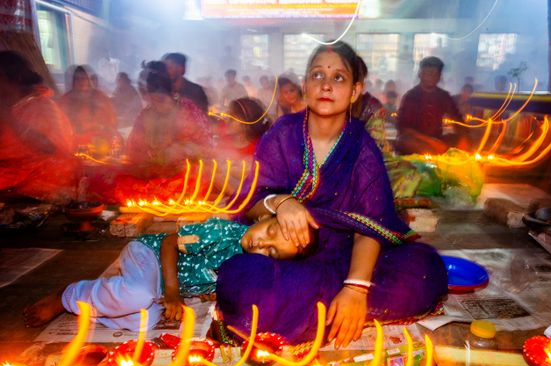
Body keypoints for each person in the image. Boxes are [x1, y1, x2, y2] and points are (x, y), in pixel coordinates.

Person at [216, 42, 448, 347]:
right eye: (317, 75)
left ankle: (328, 307)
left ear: (354, 91)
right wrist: (281, 203)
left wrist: (355, 288)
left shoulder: (362, 148)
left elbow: (370, 226)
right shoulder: (282, 135)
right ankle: (320, 309)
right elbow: (251, 205)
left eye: (338, 77)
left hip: (344, 257)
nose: (326, 85)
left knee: (425, 269)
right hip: (283, 256)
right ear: (305, 86)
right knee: (245, 280)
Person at [23, 216, 317, 330]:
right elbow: (168, 242)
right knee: (140, 294)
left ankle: (105, 296)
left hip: (159, 286)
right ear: (265, 217)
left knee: (144, 321)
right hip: (148, 254)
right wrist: (174, 293)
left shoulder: (249, 263)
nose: (262, 243)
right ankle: (67, 295)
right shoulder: (222, 231)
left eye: (272, 252)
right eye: (270, 231)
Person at [0, 51, 77, 204]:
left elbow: (52, 148)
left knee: (63, 166)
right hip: (7, 172)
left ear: (16, 79)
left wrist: (10, 118)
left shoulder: (43, 106)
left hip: (39, 172)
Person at [126, 61, 210, 171]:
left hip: (187, 176)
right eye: (152, 101)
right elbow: (132, 149)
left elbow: (207, 147)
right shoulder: (145, 115)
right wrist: (147, 157)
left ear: (172, 94)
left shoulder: (188, 111)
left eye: (161, 100)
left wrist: (183, 149)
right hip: (151, 177)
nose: (157, 106)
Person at [395, 56, 470, 155]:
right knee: (404, 141)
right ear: (420, 74)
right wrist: (431, 141)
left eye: (435, 74)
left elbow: (458, 120)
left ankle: (442, 152)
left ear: (439, 77)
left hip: (437, 139)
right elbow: (404, 129)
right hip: (416, 141)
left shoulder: (443, 96)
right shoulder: (411, 96)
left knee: (466, 139)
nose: (431, 77)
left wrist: (463, 137)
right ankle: (437, 153)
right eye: (428, 73)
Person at [59, 65, 118, 152]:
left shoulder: (100, 97)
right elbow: (60, 126)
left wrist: (102, 130)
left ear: (90, 80)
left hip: (100, 143)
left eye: (84, 78)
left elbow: (112, 123)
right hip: (75, 145)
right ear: (73, 81)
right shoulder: (65, 99)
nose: (81, 82)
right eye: (78, 79)